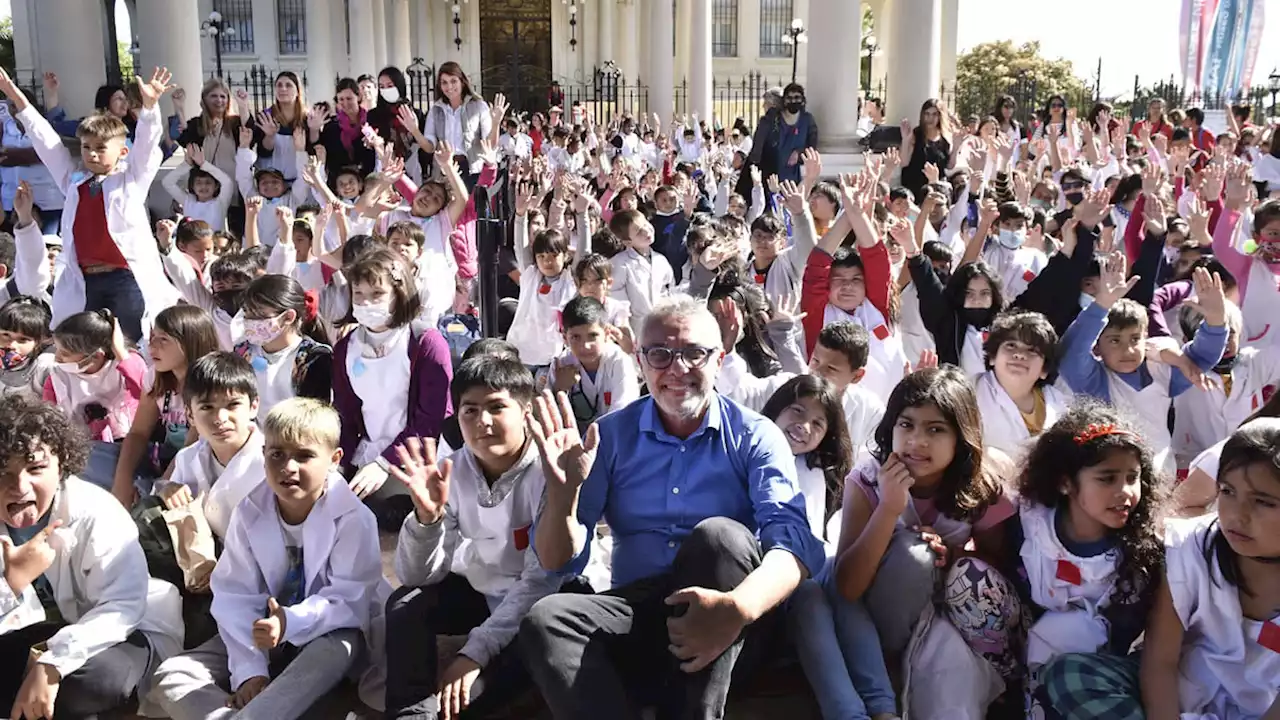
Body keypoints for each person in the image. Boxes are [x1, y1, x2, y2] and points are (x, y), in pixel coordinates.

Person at [518, 295, 825, 718]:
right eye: (660, 354)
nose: (677, 369)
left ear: (719, 359)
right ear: (640, 362)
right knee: (547, 618)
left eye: (694, 353)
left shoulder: (755, 436)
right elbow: (556, 561)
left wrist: (738, 608)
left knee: (718, 537)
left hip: (729, 616)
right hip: (641, 611)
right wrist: (562, 495)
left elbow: (794, 545)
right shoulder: (608, 436)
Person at [152, 398, 387, 719]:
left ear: (334, 459)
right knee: (174, 675)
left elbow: (347, 602)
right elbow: (236, 596)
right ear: (263, 456)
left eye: (304, 456)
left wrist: (292, 622)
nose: (288, 467)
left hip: (327, 631)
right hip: (260, 632)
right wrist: (250, 669)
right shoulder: (249, 512)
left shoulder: (354, 518)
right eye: (277, 454)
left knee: (334, 650)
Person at [384, 356, 576, 719]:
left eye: (496, 407)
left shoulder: (550, 469)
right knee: (405, 602)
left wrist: (475, 651)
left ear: (526, 411)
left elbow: (541, 580)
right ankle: (408, 712)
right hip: (484, 589)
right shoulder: (452, 473)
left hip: (546, 601)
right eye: (469, 410)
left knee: (480, 692)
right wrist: (427, 519)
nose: (482, 422)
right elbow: (417, 576)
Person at [831, 366, 1019, 716]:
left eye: (935, 429)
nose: (916, 441)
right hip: (882, 617)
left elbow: (997, 564)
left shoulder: (981, 485)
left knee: (951, 685)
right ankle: (887, 666)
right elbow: (847, 586)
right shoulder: (870, 479)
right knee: (912, 554)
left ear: (961, 437)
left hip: (948, 615)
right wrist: (889, 510)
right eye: (907, 425)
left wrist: (953, 553)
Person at [0, 395, 183, 719]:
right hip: (38, 632)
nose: (20, 487)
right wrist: (12, 582)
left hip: (123, 632)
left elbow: (122, 607)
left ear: (62, 464)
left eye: (36, 468)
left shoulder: (96, 512)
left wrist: (52, 664)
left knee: (99, 680)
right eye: (4, 471)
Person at [1003, 401, 1164, 716]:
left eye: (1133, 478)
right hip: (1022, 641)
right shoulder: (1030, 524)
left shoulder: (1141, 555)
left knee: (1068, 631)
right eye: (1107, 478)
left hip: (1087, 666)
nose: (1125, 492)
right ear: (1065, 483)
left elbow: (1122, 637)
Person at [0, 67, 182, 342]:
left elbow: (145, 144)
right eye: (86, 147)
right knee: (86, 349)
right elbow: (45, 140)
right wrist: (12, 92)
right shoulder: (74, 182)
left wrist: (150, 106)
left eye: (100, 147)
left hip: (125, 278)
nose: (92, 153)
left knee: (133, 345)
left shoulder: (130, 180)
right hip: (84, 280)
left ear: (122, 151)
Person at [332, 248, 453, 530]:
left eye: (376, 294)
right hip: (368, 459)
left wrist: (387, 463)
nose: (365, 302)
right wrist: (336, 464)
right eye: (358, 294)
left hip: (418, 461)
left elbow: (431, 419)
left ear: (398, 293)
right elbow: (346, 417)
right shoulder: (345, 349)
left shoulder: (426, 342)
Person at [111, 304, 219, 507]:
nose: (152, 347)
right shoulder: (156, 377)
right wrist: (121, 484)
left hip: (198, 466)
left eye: (163, 340)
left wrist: (159, 491)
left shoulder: (209, 383)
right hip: (164, 457)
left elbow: (192, 447)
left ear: (190, 342)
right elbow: (139, 433)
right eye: (152, 338)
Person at [44, 310, 147, 491]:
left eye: (65, 353)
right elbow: (50, 418)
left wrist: (120, 352)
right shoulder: (58, 376)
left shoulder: (125, 364)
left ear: (97, 356)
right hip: (80, 452)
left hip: (127, 449)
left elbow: (147, 393)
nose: (57, 357)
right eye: (57, 350)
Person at [232, 274, 333, 419]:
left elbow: (314, 417)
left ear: (288, 317)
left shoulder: (314, 358)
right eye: (247, 313)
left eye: (259, 314)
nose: (250, 321)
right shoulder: (242, 352)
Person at [973, 310, 1070, 458]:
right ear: (992, 357)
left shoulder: (1060, 403)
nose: (1019, 354)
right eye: (1011, 345)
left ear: (1044, 369)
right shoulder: (968, 392)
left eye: (1032, 350)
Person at [548, 296, 641, 430]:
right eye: (575, 337)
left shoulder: (619, 362)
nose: (585, 346)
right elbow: (549, 414)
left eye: (593, 336)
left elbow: (623, 412)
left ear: (607, 333)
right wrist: (560, 389)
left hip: (612, 440)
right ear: (564, 338)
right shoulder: (561, 364)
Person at [423, 63, 493, 179]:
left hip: (471, 168)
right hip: (445, 168)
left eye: (453, 81)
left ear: (462, 82)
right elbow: (430, 146)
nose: (449, 87)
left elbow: (490, 144)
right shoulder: (436, 110)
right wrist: (414, 130)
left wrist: (495, 124)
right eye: (444, 82)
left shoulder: (479, 106)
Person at [315, 78, 377, 185]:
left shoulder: (371, 121)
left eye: (349, 98)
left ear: (358, 97)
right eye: (341, 99)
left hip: (368, 180)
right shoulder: (331, 126)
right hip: (341, 183)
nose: (345, 103)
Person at [162, 143, 235, 231]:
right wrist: (187, 164)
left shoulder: (220, 202)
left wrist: (204, 164)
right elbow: (167, 182)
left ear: (216, 186)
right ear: (192, 186)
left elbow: (227, 182)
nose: (203, 186)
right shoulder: (188, 201)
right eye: (199, 183)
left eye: (208, 183)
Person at [253, 71, 308, 182]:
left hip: (301, 181)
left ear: (297, 91)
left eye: (288, 85)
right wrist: (270, 136)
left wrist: (315, 130)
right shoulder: (266, 116)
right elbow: (263, 153)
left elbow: (313, 151)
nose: (283, 89)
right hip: (272, 183)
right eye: (279, 85)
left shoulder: (307, 118)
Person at [0, 295, 52, 400]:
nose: (12, 345)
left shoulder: (44, 368)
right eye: (6, 335)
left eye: (23, 340)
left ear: (37, 342)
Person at [899, 99, 952, 198]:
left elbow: (949, 166)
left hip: (935, 191)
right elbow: (903, 162)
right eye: (927, 114)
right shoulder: (916, 134)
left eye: (934, 114)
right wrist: (905, 140)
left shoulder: (945, 139)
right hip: (914, 189)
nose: (930, 118)